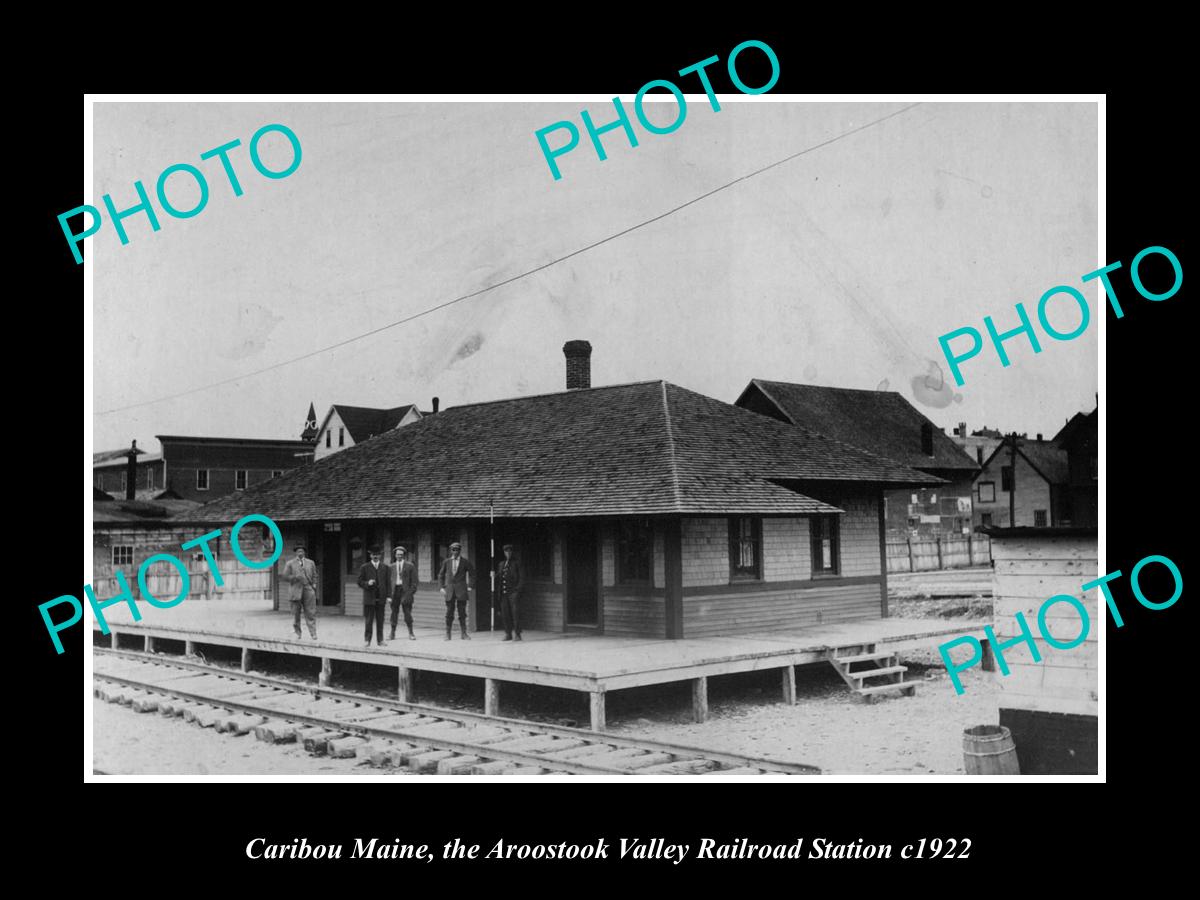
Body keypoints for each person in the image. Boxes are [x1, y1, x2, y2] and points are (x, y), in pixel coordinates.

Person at [437, 541, 473, 641]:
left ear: (460, 551)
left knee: (462, 613)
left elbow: (472, 574)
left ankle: (464, 633)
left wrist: (470, 586)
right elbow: (440, 575)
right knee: (449, 613)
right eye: (453, 550)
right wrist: (441, 588)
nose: (455, 552)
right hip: (449, 591)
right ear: (451, 551)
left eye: (457, 550)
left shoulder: (465, 562)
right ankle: (448, 634)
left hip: (461, 590)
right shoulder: (446, 562)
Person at [281, 544, 319, 640]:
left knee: (311, 612)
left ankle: (313, 633)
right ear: (295, 553)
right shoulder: (290, 563)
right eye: (298, 551)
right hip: (295, 590)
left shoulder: (311, 563)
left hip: (308, 589)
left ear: (304, 552)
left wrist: (314, 585)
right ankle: (298, 633)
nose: (300, 553)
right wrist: (294, 577)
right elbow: (284, 576)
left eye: (302, 551)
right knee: (296, 613)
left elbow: (315, 575)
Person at [357, 546, 391, 648]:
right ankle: (367, 640)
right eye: (373, 554)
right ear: (370, 555)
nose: (375, 556)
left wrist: (389, 596)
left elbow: (388, 583)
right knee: (369, 620)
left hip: (381, 598)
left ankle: (380, 640)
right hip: (369, 598)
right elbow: (359, 582)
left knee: (380, 620)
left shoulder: (385, 567)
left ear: (380, 556)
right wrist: (368, 583)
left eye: (377, 554)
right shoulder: (364, 567)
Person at [390, 545, 417, 641]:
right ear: (395, 555)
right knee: (394, 613)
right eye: (397, 554)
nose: (399, 556)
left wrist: (410, 593)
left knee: (407, 613)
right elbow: (389, 582)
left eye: (401, 555)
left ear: (404, 555)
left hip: (405, 592)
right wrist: (389, 595)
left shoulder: (410, 566)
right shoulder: (391, 566)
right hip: (395, 591)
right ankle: (392, 633)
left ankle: (411, 633)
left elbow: (414, 582)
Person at [498, 543, 524, 641]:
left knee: (515, 614)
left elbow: (522, 578)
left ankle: (517, 634)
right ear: (504, 553)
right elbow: (500, 577)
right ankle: (508, 633)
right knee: (505, 614)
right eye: (506, 551)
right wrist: (493, 575)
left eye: (509, 551)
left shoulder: (517, 563)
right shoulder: (501, 564)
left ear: (512, 552)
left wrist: (517, 591)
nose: (508, 553)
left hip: (513, 592)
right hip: (504, 593)